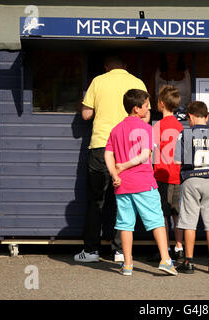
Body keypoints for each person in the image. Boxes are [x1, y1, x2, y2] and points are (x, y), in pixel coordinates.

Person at [74, 55, 148, 263]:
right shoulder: (137, 82)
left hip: (100, 146)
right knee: (123, 199)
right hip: (128, 149)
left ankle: (90, 251)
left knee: (96, 200)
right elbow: (146, 116)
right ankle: (119, 251)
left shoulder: (98, 81)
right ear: (126, 66)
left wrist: (83, 104)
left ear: (106, 67)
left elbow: (86, 115)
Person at [104, 89, 178, 276]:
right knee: (157, 221)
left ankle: (127, 265)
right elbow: (145, 155)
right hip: (144, 182)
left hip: (122, 185)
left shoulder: (116, 129)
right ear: (136, 108)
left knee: (125, 225)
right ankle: (166, 260)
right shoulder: (145, 128)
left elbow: (107, 154)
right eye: (146, 105)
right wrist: (123, 166)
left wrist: (115, 173)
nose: (148, 108)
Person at [174, 101, 209, 274]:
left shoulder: (184, 134)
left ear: (189, 117)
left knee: (189, 222)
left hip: (191, 179)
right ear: (207, 117)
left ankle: (189, 262)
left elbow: (177, 161)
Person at [152, 85, 185, 260]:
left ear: (162, 104)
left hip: (162, 174)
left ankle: (164, 248)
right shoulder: (180, 126)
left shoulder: (158, 126)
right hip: (177, 174)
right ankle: (179, 247)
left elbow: (153, 153)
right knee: (176, 213)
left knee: (162, 213)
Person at [149, 52, 191, 122]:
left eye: (175, 54)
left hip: (183, 116)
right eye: (169, 54)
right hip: (161, 116)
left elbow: (191, 96)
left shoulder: (186, 73)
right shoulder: (157, 73)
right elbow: (149, 96)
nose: (172, 57)